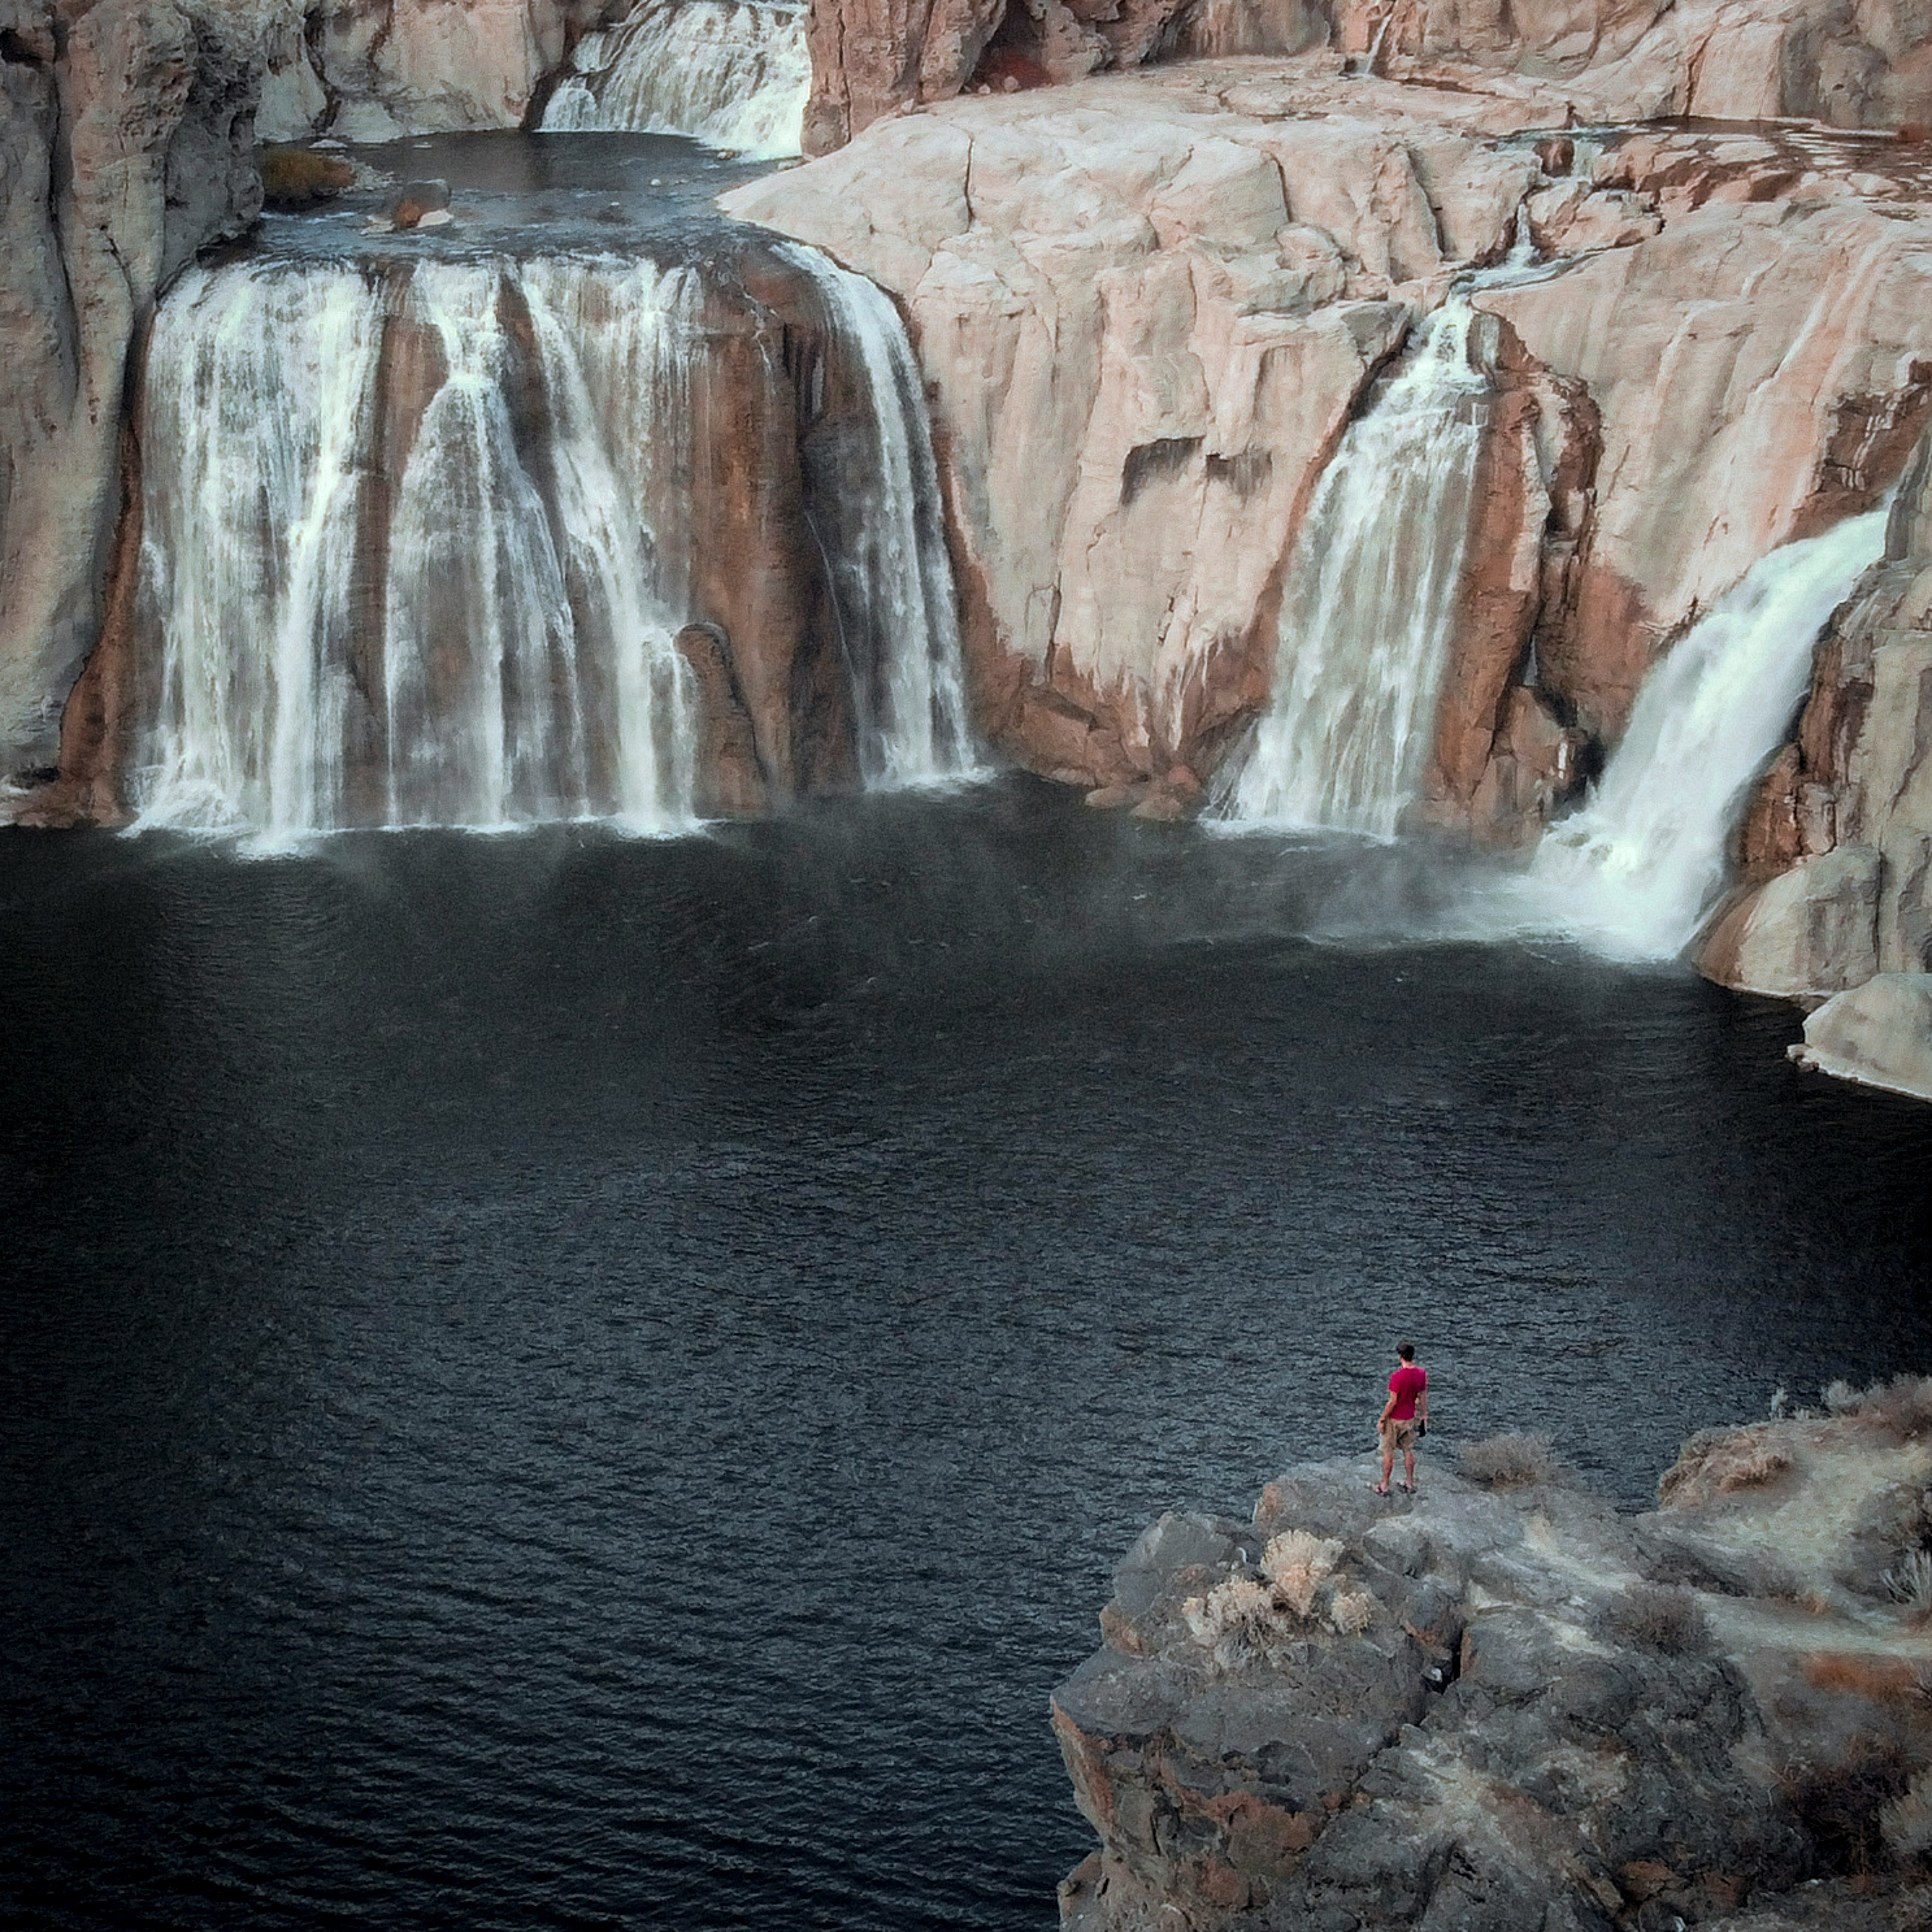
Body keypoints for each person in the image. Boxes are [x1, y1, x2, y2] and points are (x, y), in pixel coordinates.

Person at [1374, 1342, 1428, 1496]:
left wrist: (1383, 1419)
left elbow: (1393, 1402)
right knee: (1408, 1451)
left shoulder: (1397, 1377)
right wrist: (1424, 1415)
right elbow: (1423, 1397)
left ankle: (1384, 1485)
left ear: (1400, 1356)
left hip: (1395, 1419)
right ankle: (1410, 1483)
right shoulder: (1421, 1374)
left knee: (1388, 1453)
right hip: (1410, 1418)